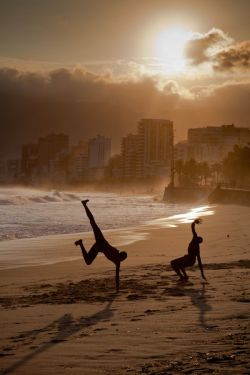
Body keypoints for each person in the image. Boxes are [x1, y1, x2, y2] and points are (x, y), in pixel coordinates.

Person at [75, 200, 127, 292]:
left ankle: (81, 243)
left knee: (88, 262)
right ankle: (84, 204)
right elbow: (110, 249)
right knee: (93, 223)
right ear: (120, 255)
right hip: (101, 240)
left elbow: (117, 276)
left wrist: (117, 289)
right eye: (120, 257)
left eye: (120, 259)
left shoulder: (118, 262)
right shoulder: (116, 253)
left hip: (98, 248)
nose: (119, 259)